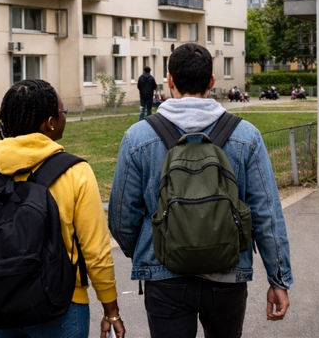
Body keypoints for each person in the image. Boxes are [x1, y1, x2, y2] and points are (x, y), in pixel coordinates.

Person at [109, 43, 292, 338]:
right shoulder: (246, 136)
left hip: (164, 275)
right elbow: (267, 214)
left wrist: (153, 247)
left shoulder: (138, 136)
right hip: (227, 276)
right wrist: (278, 278)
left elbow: (121, 217)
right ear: (211, 82)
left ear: (170, 81)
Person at [0, 80, 126, 338]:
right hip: (62, 306)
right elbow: (96, 253)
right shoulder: (76, 172)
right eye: (62, 112)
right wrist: (110, 309)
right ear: (50, 122)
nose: (63, 117)